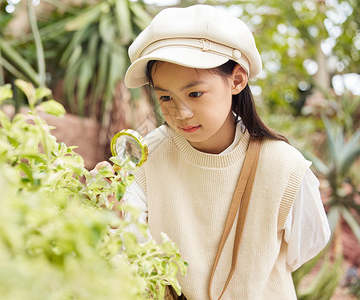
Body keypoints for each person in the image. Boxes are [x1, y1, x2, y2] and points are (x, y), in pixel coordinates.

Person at [98, 4, 331, 299]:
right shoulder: (145, 158)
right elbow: (129, 249)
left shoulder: (284, 166)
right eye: (166, 97)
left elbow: (308, 245)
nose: (180, 112)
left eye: (195, 93)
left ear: (237, 80)